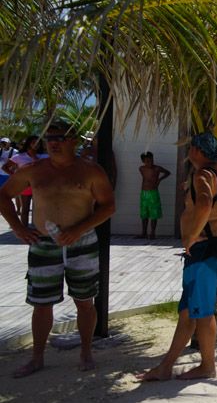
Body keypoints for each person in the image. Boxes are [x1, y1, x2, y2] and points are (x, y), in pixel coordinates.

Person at [0, 121, 115, 378]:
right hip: (43, 243)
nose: (54, 142)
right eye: (50, 137)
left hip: (81, 242)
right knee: (41, 303)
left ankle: (86, 352)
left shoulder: (90, 171)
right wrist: (18, 227)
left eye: (61, 137)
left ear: (73, 140)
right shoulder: (34, 170)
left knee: (84, 301)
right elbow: (3, 195)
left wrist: (79, 229)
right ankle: (37, 357)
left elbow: (108, 206)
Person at [137, 133, 217, 381]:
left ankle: (207, 366)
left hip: (206, 250)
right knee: (188, 312)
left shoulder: (202, 175)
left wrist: (190, 236)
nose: (189, 151)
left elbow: (203, 204)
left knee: (202, 312)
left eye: (191, 148)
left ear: (197, 151)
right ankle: (166, 366)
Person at [6, 135, 43, 225]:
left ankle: (38, 228)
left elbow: (43, 168)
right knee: (25, 209)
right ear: (29, 143)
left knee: (39, 209)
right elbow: (5, 167)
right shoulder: (19, 156)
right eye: (33, 142)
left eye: (38, 143)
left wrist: (35, 157)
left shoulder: (43, 156)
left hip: (39, 186)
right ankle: (25, 229)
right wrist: (16, 176)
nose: (36, 145)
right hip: (25, 186)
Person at [138, 152, 171, 239]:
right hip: (144, 193)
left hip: (153, 192)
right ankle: (144, 233)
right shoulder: (141, 169)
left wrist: (159, 180)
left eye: (151, 160)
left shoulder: (157, 168)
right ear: (143, 161)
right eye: (147, 161)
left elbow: (168, 172)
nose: (150, 163)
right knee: (144, 213)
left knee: (154, 213)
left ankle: (152, 233)